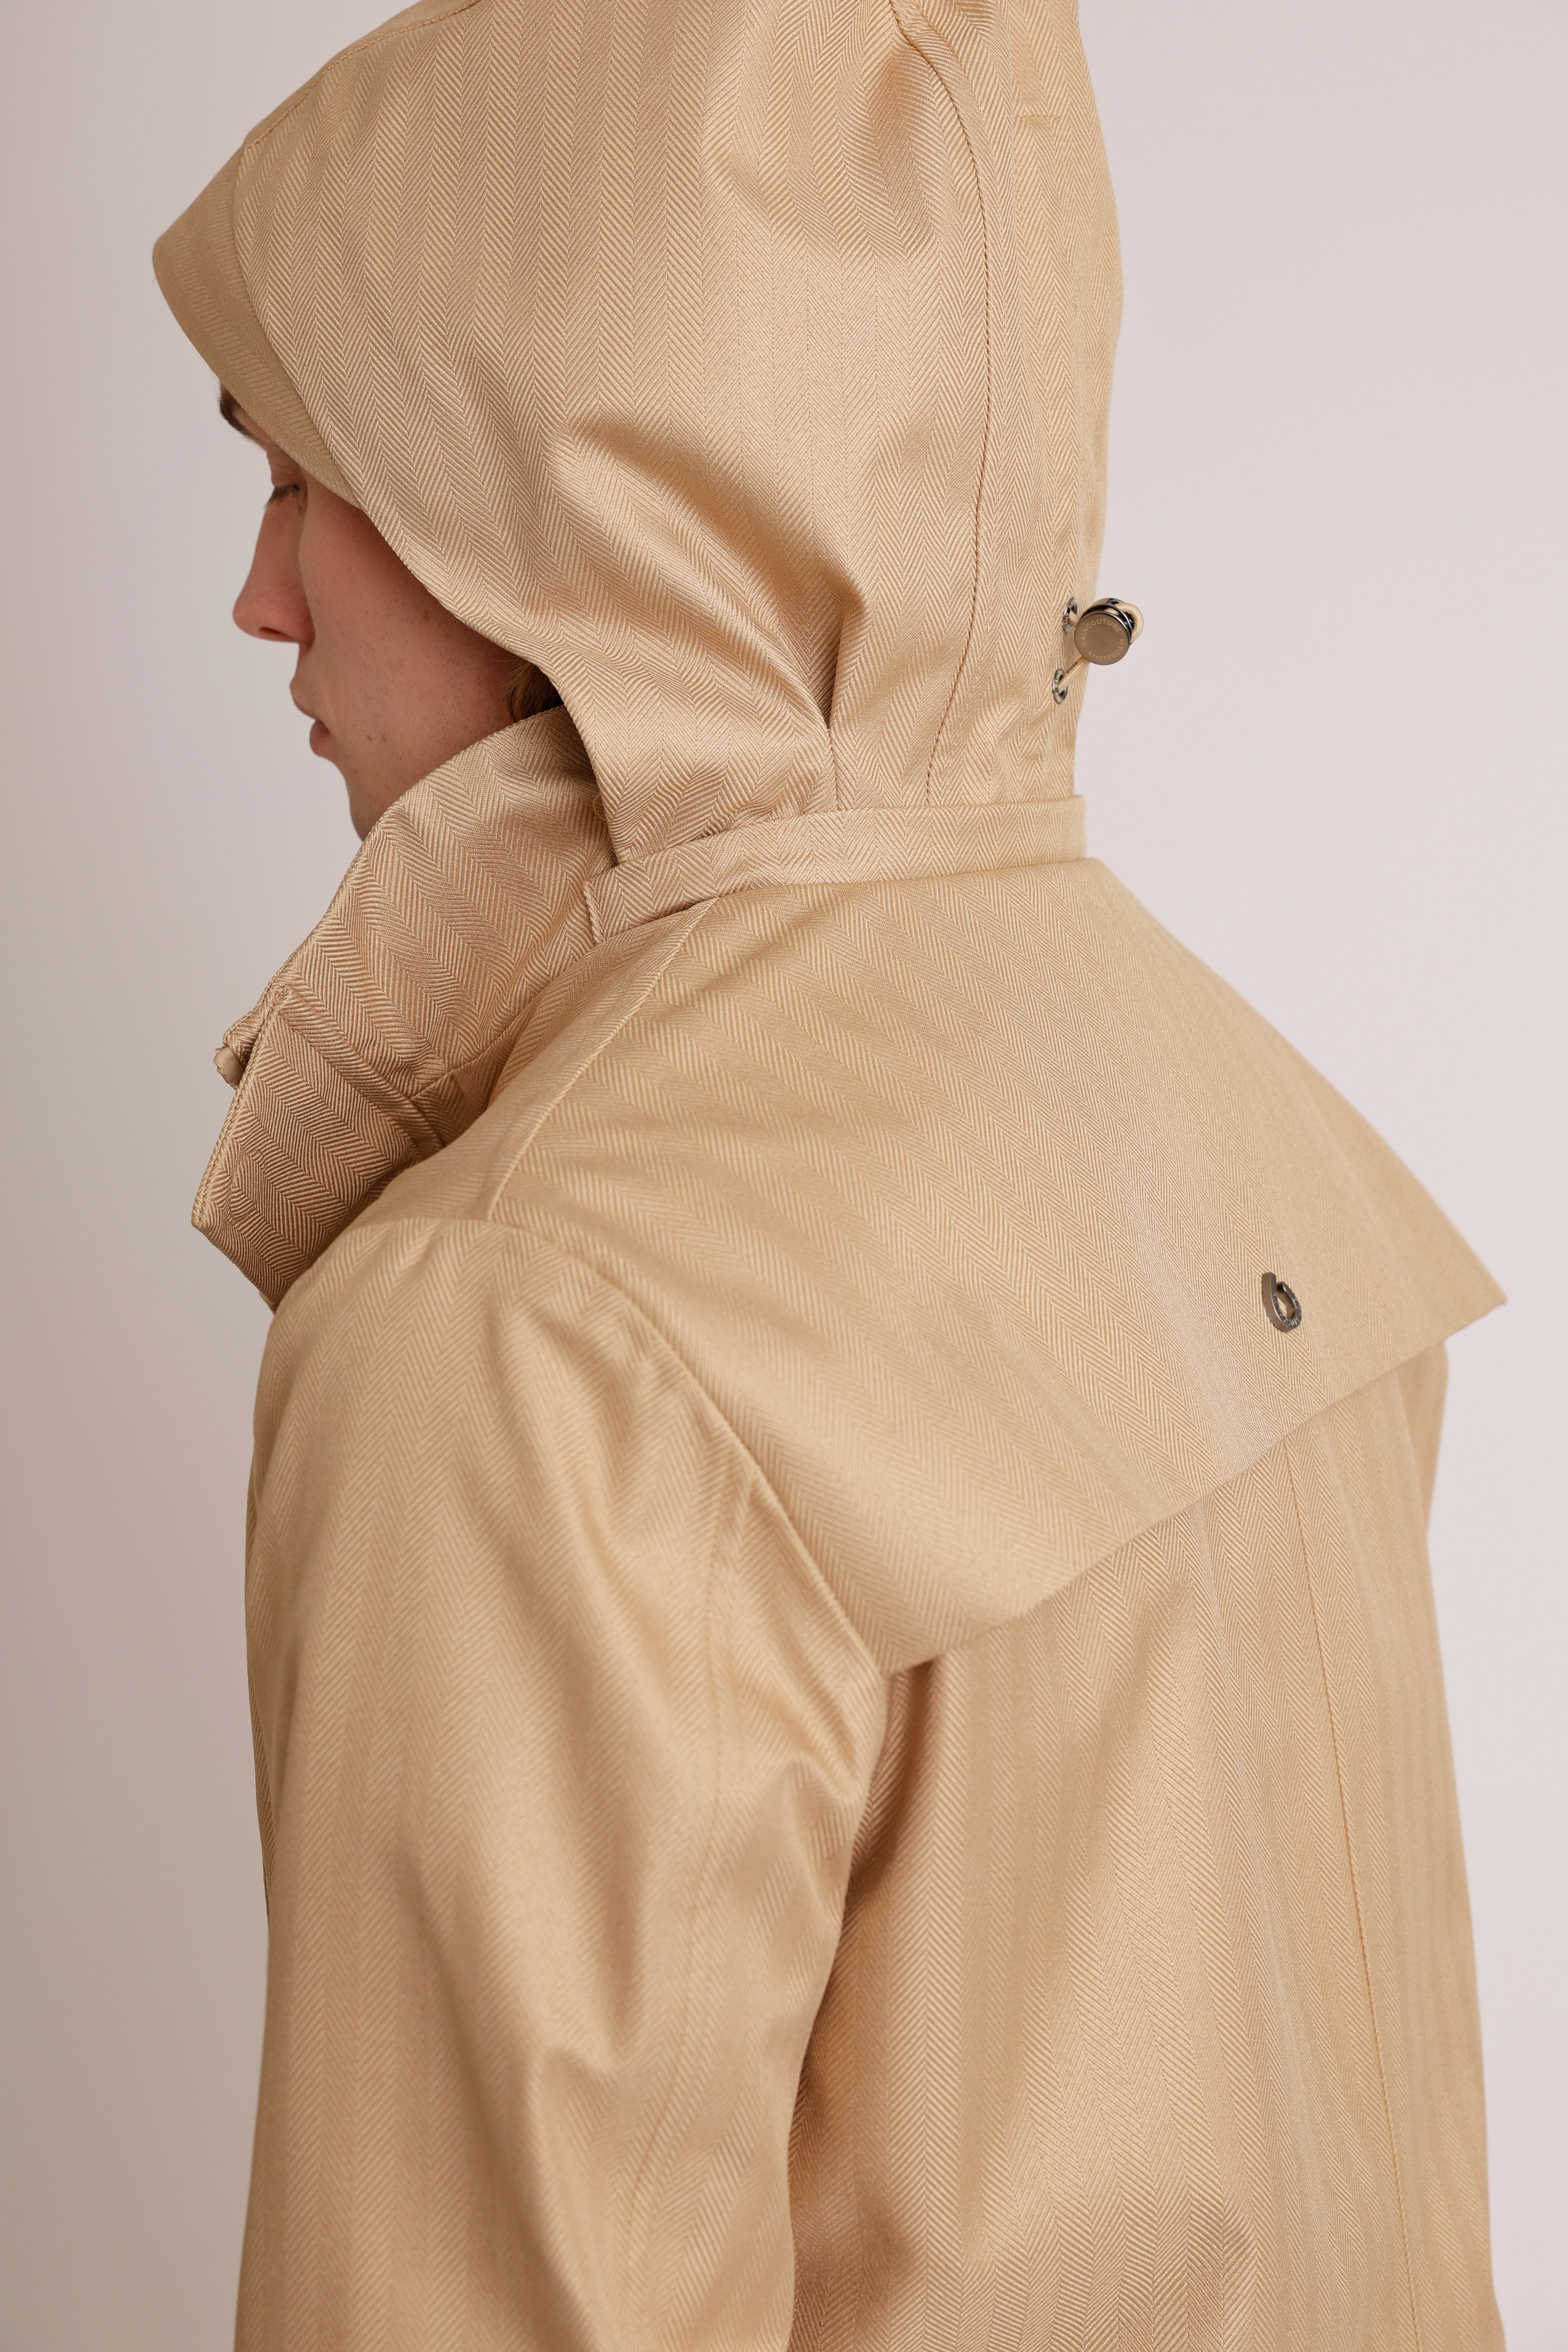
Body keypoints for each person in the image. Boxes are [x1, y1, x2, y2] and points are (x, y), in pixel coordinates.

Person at [153, 0, 1504, 2343]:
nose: (264, 596)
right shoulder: (1209, 1094)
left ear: (553, 513)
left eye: (304, 479)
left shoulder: (535, 1328)